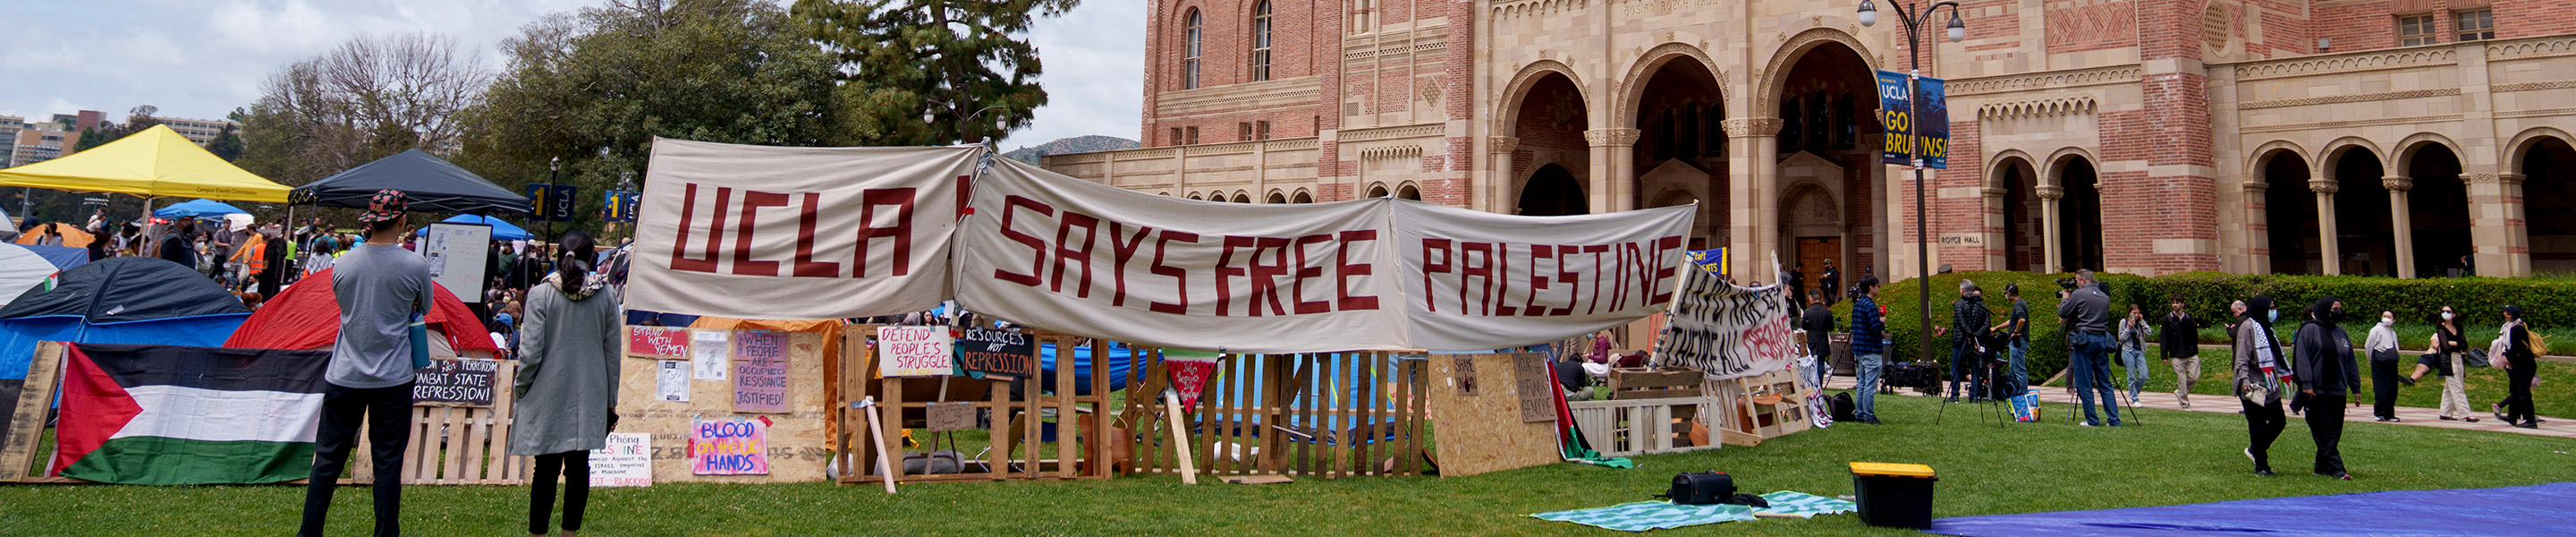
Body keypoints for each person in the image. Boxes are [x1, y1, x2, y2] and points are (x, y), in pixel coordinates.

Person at [300, 190, 429, 537]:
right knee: (388, 463)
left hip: (345, 373)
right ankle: (386, 532)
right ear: (402, 221)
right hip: (393, 377)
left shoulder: (343, 262)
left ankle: (309, 531)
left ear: (368, 222)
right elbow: (425, 307)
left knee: (327, 460)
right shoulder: (415, 265)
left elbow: (345, 306)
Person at [513, 230, 623, 537]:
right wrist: (610, 401)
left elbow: (530, 352)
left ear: (559, 256)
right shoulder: (607, 295)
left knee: (544, 469)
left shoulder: (540, 294)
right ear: (592, 259)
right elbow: (612, 354)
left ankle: (537, 535)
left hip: (546, 392)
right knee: (579, 468)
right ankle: (569, 534)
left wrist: (522, 388)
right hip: (590, 393)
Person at [2292, 296, 2360, 480]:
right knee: (2324, 430)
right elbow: (2302, 358)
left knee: (2336, 429)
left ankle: (2321, 465)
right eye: (2334, 308)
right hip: (2316, 390)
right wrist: (2306, 384)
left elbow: (2350, 361)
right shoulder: (2309, 330)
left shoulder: (2341, 332)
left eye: (2339, 308)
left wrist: (2355, 386)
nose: (2337, 312)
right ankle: (2337, 469)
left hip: (2337, 389)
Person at [2233, 295, 2292, 476]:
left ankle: (2255, 450)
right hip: (2253, 385)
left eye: (2274, 307)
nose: (2272, 311)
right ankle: (2262, 466)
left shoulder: (2267, 329)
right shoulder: (2248, 327)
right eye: (2270, 308)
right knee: (2256, 425)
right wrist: (2245, 381)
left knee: (2278, 421)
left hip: (2270, 385)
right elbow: (2241, 359)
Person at [2057, 270, 2119, 426]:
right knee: (2104, 383)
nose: (2076, 284)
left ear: (2083, 281)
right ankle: (2114, 420)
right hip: (2101, 339)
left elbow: (2063, 312)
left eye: (2077, 281)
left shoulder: (2079, 295)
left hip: (2084, 339)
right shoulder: (2104, 297)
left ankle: (2092, 420)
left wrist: (2065, 299)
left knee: (2084, 383)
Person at [2409, 305, 2476, 422]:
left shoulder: (2458, 328)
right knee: (2456, 387)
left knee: (2451, 386)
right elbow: (2445, 346)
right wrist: (2456, 344)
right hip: (2447, 359)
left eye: (2448, 311)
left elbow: (2464, 345)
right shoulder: (2441, 328)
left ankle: (2445, 412)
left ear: (2454, 314)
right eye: (2443, 311)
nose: (2445, 313)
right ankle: (2465, 414)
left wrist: (2454, 343)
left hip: (2458, 358)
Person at [1945, 280, 1991, 402]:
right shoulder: (1980, 305)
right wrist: (1976, 335)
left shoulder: (1960, 304)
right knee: (1975, 368)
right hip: (1975, 341)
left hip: (1961, 340)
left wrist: (1970, 334)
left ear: (1962, 291)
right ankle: (1975, 395)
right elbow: (1986, 324)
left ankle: (1955, 395)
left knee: (1955, 367)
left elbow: (1960, 321)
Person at [1849, 276, 1886, 424]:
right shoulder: (1870, 306)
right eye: (1878, 286)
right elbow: (1875, 327)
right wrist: (1881, 323)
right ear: (1871, 287)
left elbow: (1862, 327)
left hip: (1859, 350)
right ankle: (1869, 415)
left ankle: (1859, 413)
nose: (1879, 288)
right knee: (1870, 386)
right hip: (1871, 349)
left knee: (1862, 384)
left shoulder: (1858, 304)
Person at [2497, 304, 2538, 429]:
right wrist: (2506, 355)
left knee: (2523, 392)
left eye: (2507, 312)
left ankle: (2530, 420)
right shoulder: (2509, 327)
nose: (2504, 314)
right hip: (2517, 363)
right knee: (2514, 391)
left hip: (2524, 364)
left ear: (2512, 315)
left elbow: (2517, 348)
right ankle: (2512, 416)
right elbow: (2509, 346)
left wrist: (2507, 357)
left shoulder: (2517, 328)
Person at [2159, 296, 2204, 408]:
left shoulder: (2188, 319)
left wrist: (2194, 349)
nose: (2175, 305)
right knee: (2182, 379)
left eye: (2177, 303)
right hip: (2176, 355)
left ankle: (2181, 393)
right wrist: (2164, 355)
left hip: (2191, 353)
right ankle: (2185, 404)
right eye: (2173, 303)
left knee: (2195, 377)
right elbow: (2164, 338)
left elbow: (2194, 335)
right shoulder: (2168, 319)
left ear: (2182, 304)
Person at [2364, 310, 2408, 422]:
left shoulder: (2392, 332)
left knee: (2392, 387)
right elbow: (2369, 345)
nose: (2386, 318)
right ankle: (2380, 412)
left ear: (2394, 320)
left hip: (2391, 362)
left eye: (2389, 316)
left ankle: (2390, 413)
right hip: (2379, 360)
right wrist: (2370, 359)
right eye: (2385, 316)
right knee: (2381, 387)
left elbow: (2396, 347)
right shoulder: (2376, 330)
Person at [1995, 284, 2031, 396]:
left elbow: (2022, 319)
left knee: (2018, 368)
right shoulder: (2020, 303)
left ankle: (2022, 393)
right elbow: (2013, 320)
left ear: (2009, 294)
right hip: (2018, 341)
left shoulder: (2018, 305)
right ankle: (2016, 391)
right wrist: (1997, 328)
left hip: (2018, 341)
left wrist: (2015, 332)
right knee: (2014, 367)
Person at [1801, 289, 1835, 388]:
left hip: (1812, 339)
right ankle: (1819, 383)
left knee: (1811, 362)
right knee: (1821, 363)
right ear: (1821, 299)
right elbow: (1831, 327)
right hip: (1823, 338)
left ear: (1812, 299)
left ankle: (1812, 383)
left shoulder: (1808, 312)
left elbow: (1803, 326)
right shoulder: (1827, 312)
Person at [2118, 303, 2151, 405]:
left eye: (2138, 313)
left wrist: (2142, 321)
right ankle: (2135, 399)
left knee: (2144, 375)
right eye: (2134, 313)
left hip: (2139, 351)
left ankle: (2134, 392)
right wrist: (2129, 328)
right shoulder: (2124, 322)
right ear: (2129, 313)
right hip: (2128, 351)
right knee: (2131, 376)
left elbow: (2149, 333)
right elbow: (2121, 338)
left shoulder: (2139, 323)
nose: (2136, 315)